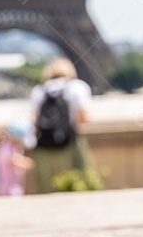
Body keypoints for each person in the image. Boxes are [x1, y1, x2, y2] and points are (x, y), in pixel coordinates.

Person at [30, 57, 100, 193]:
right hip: (70, 143)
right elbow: (84, 118)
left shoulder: (39, 91)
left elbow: (35, 122)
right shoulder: (77, 87)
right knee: (80, 183)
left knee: (47, 189)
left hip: (44, 147)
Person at [0, 121, 35, 196]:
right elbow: (16, 161)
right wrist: (29, 163)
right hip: (8, 191)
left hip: (15, 188)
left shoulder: (15, 148)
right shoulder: (6, 149)